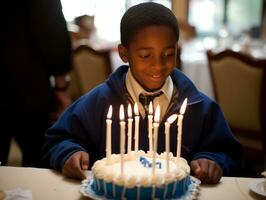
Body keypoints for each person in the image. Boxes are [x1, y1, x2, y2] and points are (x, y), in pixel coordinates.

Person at [42, 2, 242, 184]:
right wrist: (69, 153)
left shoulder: (199, 107)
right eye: (146, 55)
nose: (158, 65)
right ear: (124, 53)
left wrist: (212, 159)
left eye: (168, 54)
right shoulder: (99, 102)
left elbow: (227, 151)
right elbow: (57, 139)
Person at [1, 0, 73, 167]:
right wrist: (61, 87)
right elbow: (54, 34)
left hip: (25, 85)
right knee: (37, 162)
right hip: (27, 85)